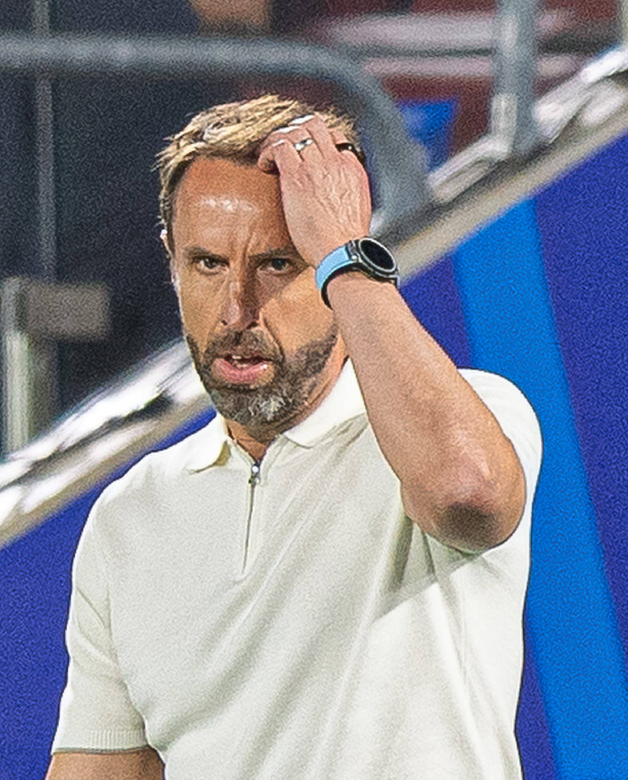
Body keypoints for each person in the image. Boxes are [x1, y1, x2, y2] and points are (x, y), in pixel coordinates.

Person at [46, 95, 543, 779]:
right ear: (171, 263)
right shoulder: (129, 516)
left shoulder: (473, 416)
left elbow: (466, 492)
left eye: (278, 264)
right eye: (207, 264)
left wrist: (345, 254)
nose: (236, 311)